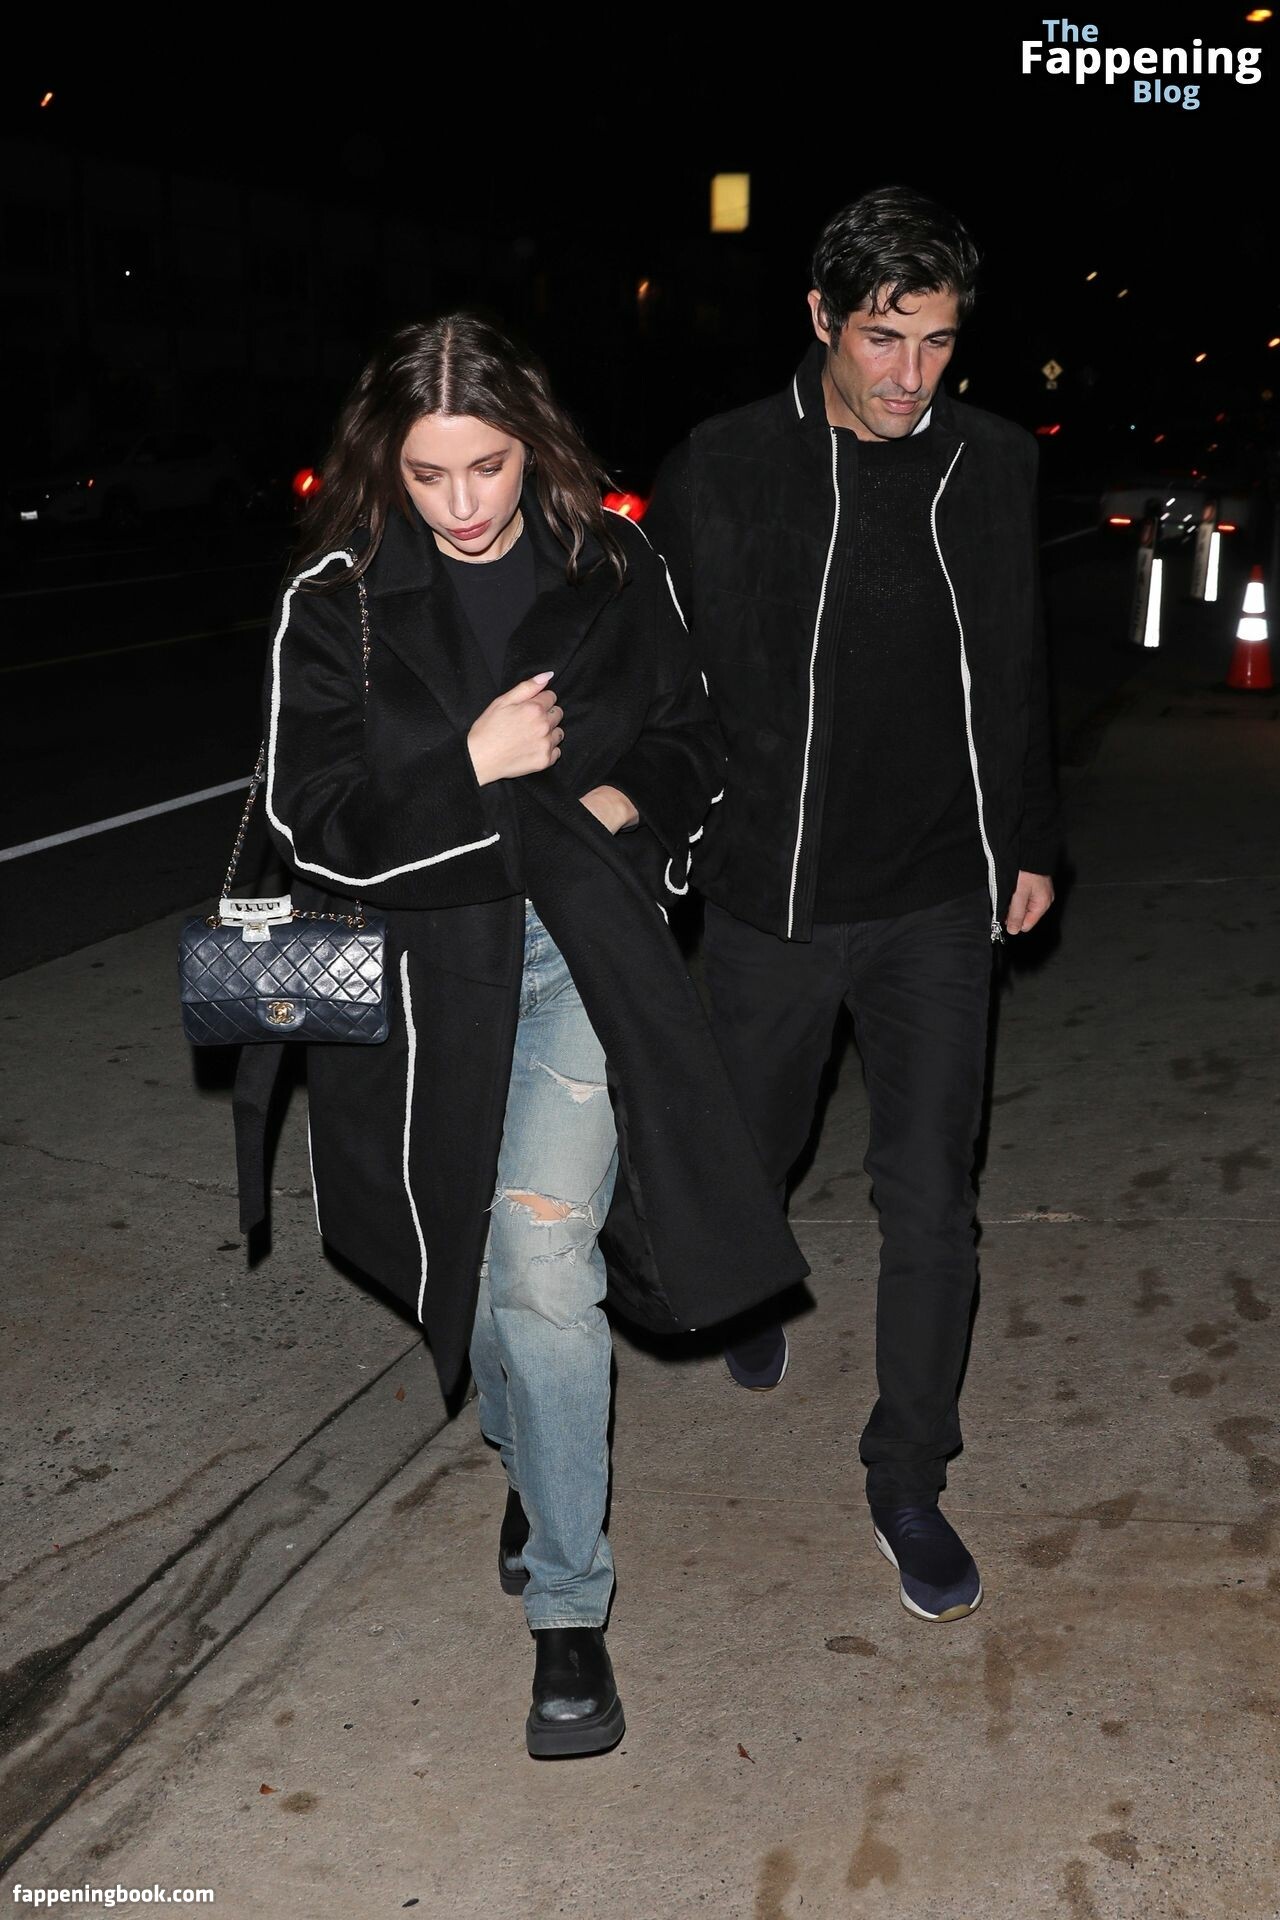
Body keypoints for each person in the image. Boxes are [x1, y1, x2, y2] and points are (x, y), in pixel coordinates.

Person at [252, 314, 808, 1754]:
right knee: (469, 1255)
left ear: (531, 444)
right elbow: (316, 824)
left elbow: (692, 737)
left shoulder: (613, 565)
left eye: (487, 467)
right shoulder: (338, 600)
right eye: (427, 475)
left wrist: (626, 811)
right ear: (386, 465)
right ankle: (531, 1452)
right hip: (420, 981)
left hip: (574, 953)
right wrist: (472, 766)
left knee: (545, 1260)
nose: (462, 504)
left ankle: (569, 1608)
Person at [643, 185, 1059, 1625]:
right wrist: (654, 832)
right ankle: (750, 1285)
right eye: (884, 338)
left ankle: (910, 1474)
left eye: (937, 342)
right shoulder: (725, 465)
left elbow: (1014, 664)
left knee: (931, 1195)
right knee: (750, 1148)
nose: (910, 376)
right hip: (776, 896)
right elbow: (658, 677)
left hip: (937, 895)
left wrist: (1030, 837)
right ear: (821, 317)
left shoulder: (992, 462)